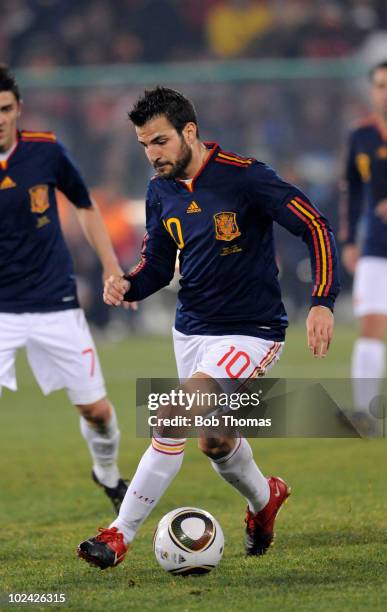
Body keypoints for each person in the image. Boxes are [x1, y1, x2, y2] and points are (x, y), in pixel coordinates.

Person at [77, 86, 339, 569]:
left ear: (189, 132)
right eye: (144, 145)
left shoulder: (246, 177)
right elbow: (157, 264)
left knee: (172, 413)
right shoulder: (161, 191)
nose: (152, 155)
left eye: (159, 142)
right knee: (214, 441)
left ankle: (119, 534)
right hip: (192, 332)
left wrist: (322, 301)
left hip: (252, 330)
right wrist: (127, 286)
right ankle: (266, 501)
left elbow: (315, 226)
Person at [0, 64, 128, 513]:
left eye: (5, 109)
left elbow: (86, 206)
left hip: (55, 303)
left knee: (97, 411)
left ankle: (108, 474)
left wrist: (111, 265)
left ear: (19, 110)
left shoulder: (45, 151)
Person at [340, 60, 387, 426]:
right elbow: (353, 190)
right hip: (375, 245)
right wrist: (349, 239)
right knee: (370, 325)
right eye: (381, 85)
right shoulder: (361, 135)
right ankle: (366, 413)